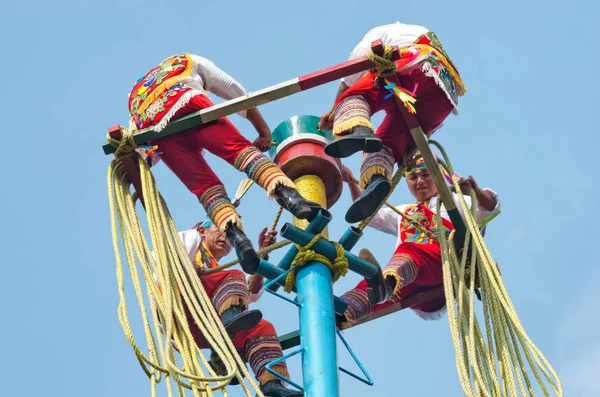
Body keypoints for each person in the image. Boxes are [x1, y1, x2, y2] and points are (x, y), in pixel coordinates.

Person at [129, 53, 321, 273]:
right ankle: (293, 199)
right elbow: (233, 91)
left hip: (159, 134)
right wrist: (263, 130)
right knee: (242, 153)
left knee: (207, 189)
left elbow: (142, 146)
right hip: (189, 107)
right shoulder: (184, 60)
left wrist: (145, 162)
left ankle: (238, 239)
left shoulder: (135, 94)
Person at [317, 22, 467, 223]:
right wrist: (409, 149)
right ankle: (376, 181)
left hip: (415, 68)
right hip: (443, 97)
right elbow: (423, 127)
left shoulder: (375, 35)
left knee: (355, 96)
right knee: (387, 141)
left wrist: (334, 111)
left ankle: (360, 130)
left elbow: (350, 79)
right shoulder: (412, 30)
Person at [336, 154, 500, 325]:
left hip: (442, 264)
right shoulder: (403, 211)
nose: (420, 181)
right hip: (409, 277)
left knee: (408, 253)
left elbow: (490, 207)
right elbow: (367, 214)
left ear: (437, 176)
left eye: (426, 174)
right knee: (370, 289)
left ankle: (385, 285)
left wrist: (476, 191)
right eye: (413, 177)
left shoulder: (455, 200)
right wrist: (351, 183)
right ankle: (339, 312)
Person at [168, 219, 301, 397]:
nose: (226, 238)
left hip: (202, 324)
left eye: (231, 238)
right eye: (220, 231)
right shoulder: (190, 238)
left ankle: (271, 384)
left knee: (262, 327)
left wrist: (262, 257)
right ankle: (227, 333)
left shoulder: (218, 272)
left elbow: (251, 292)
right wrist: (186, 264)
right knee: (233, 277)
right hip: (178, 305)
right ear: (202, 230)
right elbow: (166, 253)